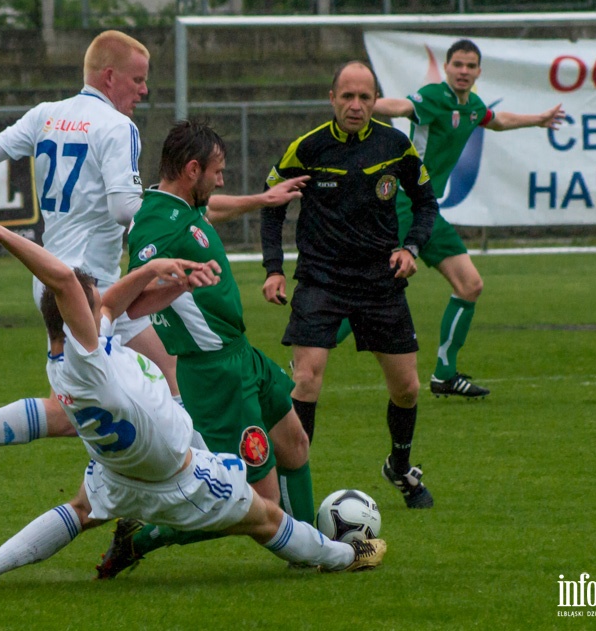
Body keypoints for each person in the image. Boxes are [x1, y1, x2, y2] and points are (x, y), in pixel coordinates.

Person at [0, 30, 307, 501]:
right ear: (110, 76)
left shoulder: (46, 114)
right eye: (137, 80)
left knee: (163, 384)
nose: (143, 91)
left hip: (66, 284)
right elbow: (125, 209)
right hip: (86, 291)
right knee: (90, 409)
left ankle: (206, 488)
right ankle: (209, 494)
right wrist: (166, 221)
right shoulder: (117, 128)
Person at [0, 201, 385, 591]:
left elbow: (114, 303)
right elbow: (61, 279)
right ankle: (346, 554)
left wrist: (164, 275)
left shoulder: (69, 358)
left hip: (118, 477)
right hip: (177, 477)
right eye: (90, 298)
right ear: (76, 314)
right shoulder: (85, 360)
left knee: (78, 511)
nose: (101, 301)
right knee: (266, 518)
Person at [94, 119, 316, 578]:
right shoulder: (154, 223)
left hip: (242, 354)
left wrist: (262, 200)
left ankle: (312, 546)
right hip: (215, 375)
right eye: (217, 171)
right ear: (192, 170)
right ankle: (145, 536)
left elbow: (212, 211)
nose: (221, 180)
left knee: (295, 444)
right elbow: (127, 302)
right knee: (261, 503)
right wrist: (171, 283)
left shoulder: (181, 205)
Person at [259, 61, 439, 510]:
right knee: (306, 379)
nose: (356, 105)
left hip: (381, 281)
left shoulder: (396, 146)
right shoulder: (308, 148)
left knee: (408, 389)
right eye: (347, 97)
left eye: (365, 97)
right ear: (332, 98)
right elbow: (271, 205)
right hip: (321, 280)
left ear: (376, 101)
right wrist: (274, 269)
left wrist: (411, 250)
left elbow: (425, 203)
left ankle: (399, 467)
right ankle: (291, 492)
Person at [356, 38, 566, 399]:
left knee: (469, 285)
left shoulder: (473, 107)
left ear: (478, 72)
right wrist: (363, 103)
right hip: (404, 205)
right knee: (370, 289)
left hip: (426, 210)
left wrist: (537, 120)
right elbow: (403, 106)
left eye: (471, 66)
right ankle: (309, 357)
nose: (464, 71)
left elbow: (496, 120)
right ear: (448, 67)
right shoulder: (434, 96)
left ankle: (445, 375)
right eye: (458, 65)